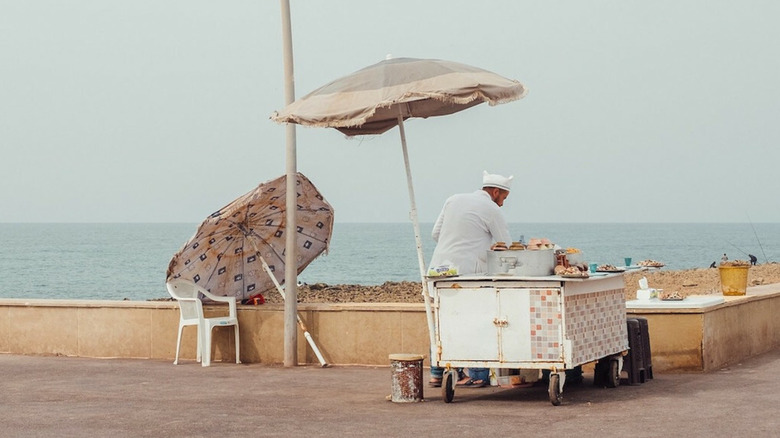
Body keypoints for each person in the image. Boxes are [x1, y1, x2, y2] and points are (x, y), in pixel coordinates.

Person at [427, 171, 513, 388]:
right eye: (503, 198)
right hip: (469, 275)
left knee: (441, 321)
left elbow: (435, 235)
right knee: (478, 320)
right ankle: (477, 374)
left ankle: (437, 372)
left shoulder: (452, 199)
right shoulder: (491, 208)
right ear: (495, 192)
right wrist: (485, 248)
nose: (502, 203)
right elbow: (507, 244)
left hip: (439, 270)